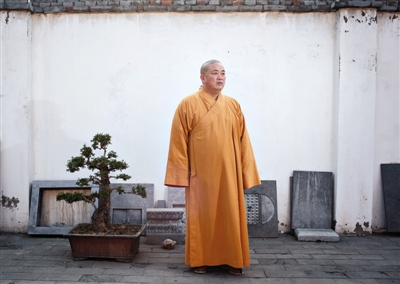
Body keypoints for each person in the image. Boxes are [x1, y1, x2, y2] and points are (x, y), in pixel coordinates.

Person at [164, 59, 260, 275]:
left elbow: (244, 140)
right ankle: (201, 259)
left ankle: (232, 259)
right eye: (215, 73)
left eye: (223, 73)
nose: (220, 77)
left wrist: (246, 172)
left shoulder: (233, 105)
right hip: (201, 175)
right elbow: (177, 141)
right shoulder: (188, 104)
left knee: (230, 214)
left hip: (229, 173)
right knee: (202, 216)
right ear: (203, 77)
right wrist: (181, 174)